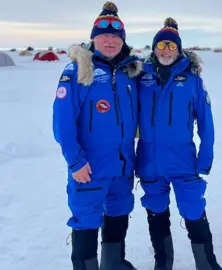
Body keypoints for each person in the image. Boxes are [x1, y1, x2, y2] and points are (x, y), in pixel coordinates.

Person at [52, 2, 142, 269]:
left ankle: (113, 265)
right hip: (89, 167)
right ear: (93, 37)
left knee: (118, 216)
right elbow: (62, 124)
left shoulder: (131, 73)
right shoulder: (77, 71)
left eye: (116, 36)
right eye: (104, 35)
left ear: (123, 40)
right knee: (86, 220)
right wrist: (75, 161)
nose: (110, 40)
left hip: (123, 166)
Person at [136, 17, 222, 270]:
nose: (165, 50)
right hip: (149, 162)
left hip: (183, 161)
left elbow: (206, 121)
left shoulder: (192, 79)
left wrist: (205, 158)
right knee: (156, 216)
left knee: (194, 211)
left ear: (179, 49)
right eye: (161, 45)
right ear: (154, 48)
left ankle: (207, 264)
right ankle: (162, 264)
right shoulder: (140, 76)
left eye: (171, 46)